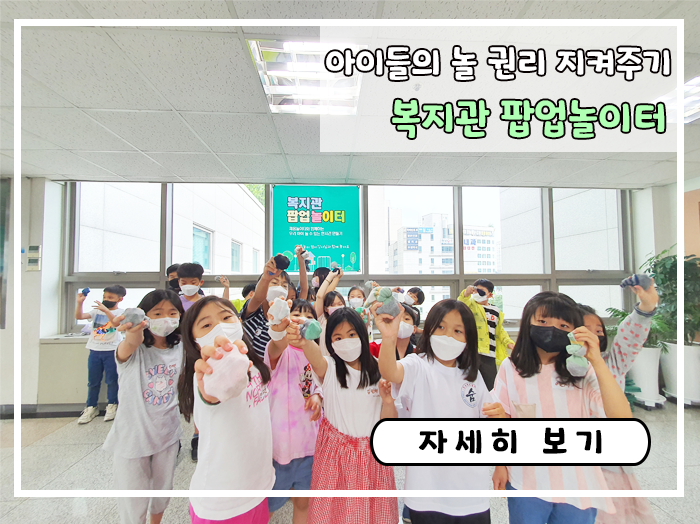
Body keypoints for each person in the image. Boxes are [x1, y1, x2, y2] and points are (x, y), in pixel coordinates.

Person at [491, 291, 632, 524]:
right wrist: (500, 465)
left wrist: (596, 360)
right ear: (527, 323)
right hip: (526, 481)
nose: (552, 329)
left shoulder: (583, 372)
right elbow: (503, 421)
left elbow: (621, 417)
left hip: (577, 484)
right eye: (543, 321)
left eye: (563, 325)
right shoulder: (511, 367)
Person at [376, 299, 505, 524]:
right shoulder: (418, 365)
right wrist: (388, 338)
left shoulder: (472, 376)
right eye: (441, 327)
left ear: (468, 338)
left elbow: (489, 421)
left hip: (470, 491)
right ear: (429, 330)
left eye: (458, 331)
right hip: (426, 491)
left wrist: (501, 459)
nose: (448, 336)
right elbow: (390, 371)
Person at [286, 308, 398, 524]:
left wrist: (387, 401)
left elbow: (389, 424)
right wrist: (303, 340)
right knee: (332, 514)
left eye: (351, 334)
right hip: (335, 457)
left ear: (362, 334)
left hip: (373, 460)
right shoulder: (330, 367)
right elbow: (314, 356)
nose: (345, 341)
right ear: (330, 342)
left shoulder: (380, 368)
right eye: (338, 337)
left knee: (372, 514)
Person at [178, 296, 274, 524]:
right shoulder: (208, 374)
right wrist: (213, 379)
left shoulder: (253, 366)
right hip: (222, 502)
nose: (219, 327)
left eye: (226, 317)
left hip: (257, 487)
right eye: (206, 325)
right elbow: (212, 393)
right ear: (194, 341)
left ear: (239, 322)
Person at [579, 279, 659, 524]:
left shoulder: (612, 364)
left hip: (610, 466)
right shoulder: (558, 368)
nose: (596, 334)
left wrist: (645, 308)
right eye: (587, 328)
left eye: (599, 329)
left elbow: (629, 337)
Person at [103, 289, 184, 524]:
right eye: (157, 313)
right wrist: (133, 329)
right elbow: (132, 341)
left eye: (172, 313)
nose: (166, 318)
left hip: (167, 434)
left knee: (162, 491)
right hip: (133, 437)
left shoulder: (180, 347)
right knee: (133, 500)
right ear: (145, 316)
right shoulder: (134, 347)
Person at [265, 299, 323, 524]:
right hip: (279, 449)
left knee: (303, 503)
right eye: (296, 314)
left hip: (310, 446)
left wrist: (317, 396)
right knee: (267, 506)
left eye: (308, 316)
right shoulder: (280, 351)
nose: (302, 320)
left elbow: (317, 383)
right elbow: (276, 344)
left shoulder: (315, 355)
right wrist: (279, 329)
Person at [75, 285, 126, 424]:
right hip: (94, 349)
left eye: (110, 297)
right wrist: (80, 303)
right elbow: (79, 316)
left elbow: (116, 324)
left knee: (112, 380)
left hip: (112, 350)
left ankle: (112, 405)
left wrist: (106, 311)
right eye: (105, 297)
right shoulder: (96, 311)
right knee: (93, 381)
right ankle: (91, 407)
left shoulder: (121, 312)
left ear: (120, 299)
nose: (106, 299)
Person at [458, 279, 514, 390]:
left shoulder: (496, 310)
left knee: (490, 385)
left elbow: (499, 330)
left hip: (489, 354)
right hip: (472, 352)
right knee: (468, 383)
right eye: (476, 290)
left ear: (490, 294)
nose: (477, 293)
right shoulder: (471, 306)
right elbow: (461, 304)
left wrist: (508, 343)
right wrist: (466, 293)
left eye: (481, 291)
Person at [240, 255, 293, 358]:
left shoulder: (286, 320)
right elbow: (258, 298)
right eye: (274, 282)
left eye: (284, 286)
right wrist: (266, 278)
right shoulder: (254, 311)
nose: (279, 288)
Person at [314, 269, 346, 356]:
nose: (336, 307)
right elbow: (320, 296)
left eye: (340, 304)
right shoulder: (322, 321)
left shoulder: (347, 322)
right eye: (332, 305)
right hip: (324, 361)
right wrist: (330, 277)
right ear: (325, 309)